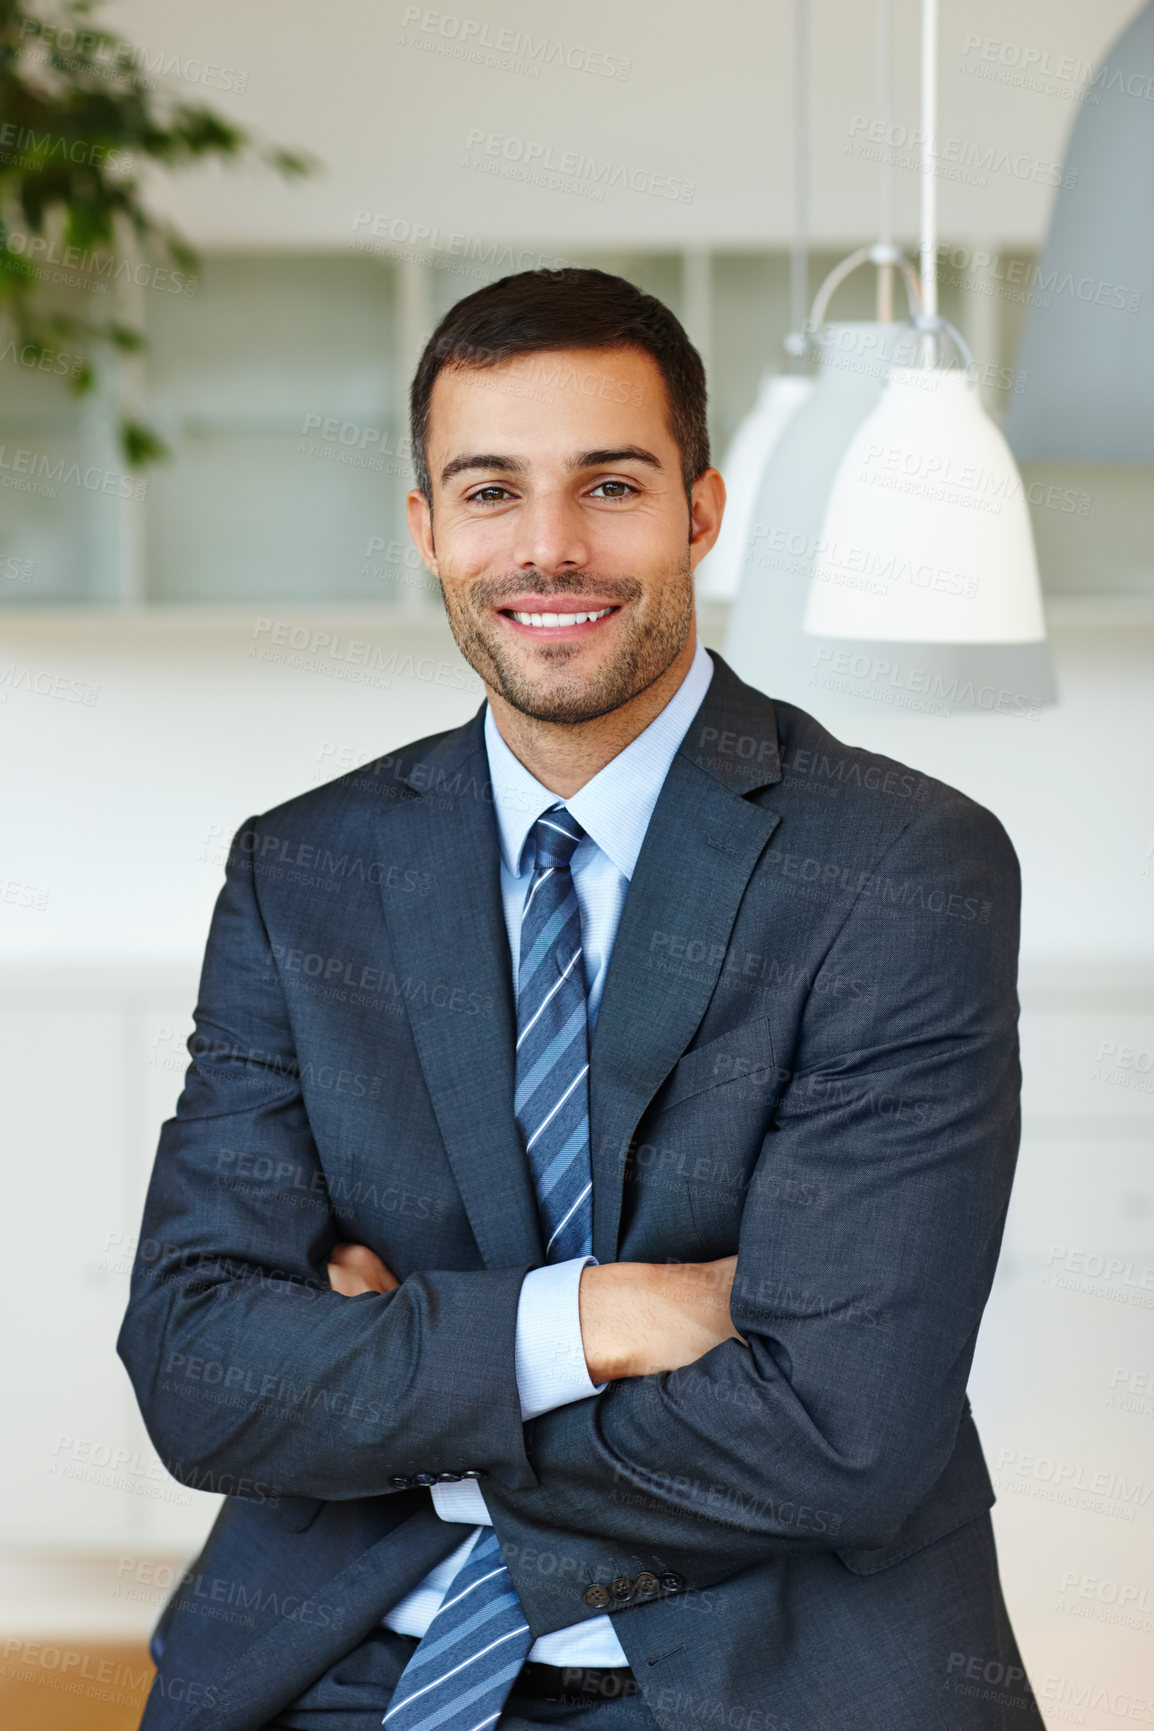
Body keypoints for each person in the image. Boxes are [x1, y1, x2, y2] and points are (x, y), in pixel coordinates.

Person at [118, 267, 1043, 1731]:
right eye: (489, 492)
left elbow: (839, 1430)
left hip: (758, 1674)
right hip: (342, 1659)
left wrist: (394, 1387)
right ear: (427, 530)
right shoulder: (304, 871)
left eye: (607, 485)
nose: (547, 550)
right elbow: (197, 1377)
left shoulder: (896, 867)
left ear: (700, 509)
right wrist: (594, 1319)